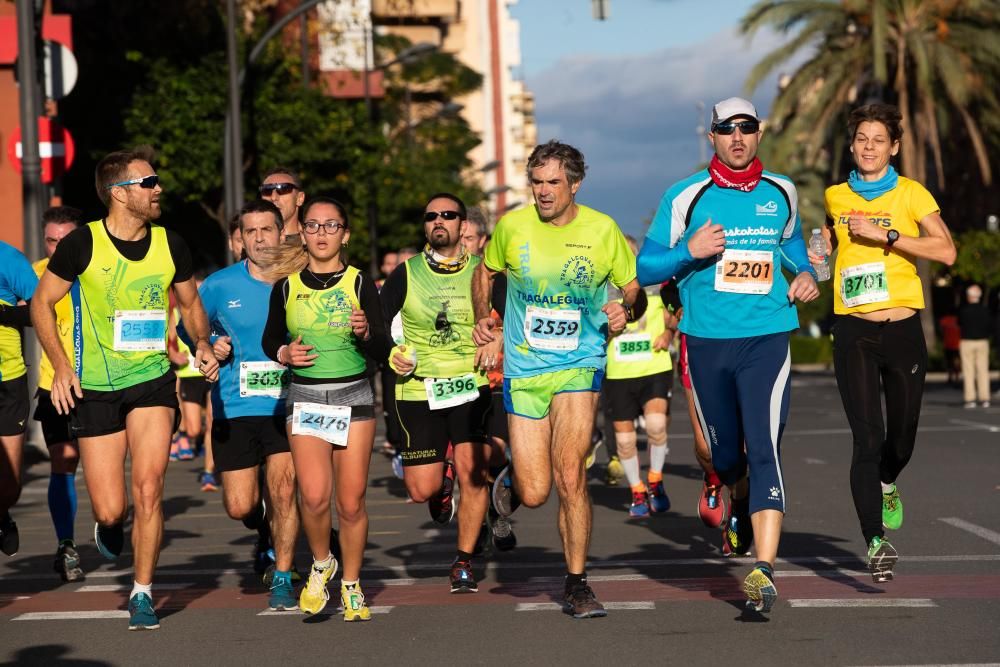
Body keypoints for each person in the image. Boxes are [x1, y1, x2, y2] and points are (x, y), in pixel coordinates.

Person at [637, 97, 819, 613]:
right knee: (725, 457)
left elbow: (791, 247)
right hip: (707, 340)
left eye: (746, 127)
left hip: (767, 336)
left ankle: (763, 570)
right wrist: (686, 253)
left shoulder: (781, 191)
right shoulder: (686, 196)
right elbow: (646, 268)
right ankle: (734, 494)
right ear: (711, 136)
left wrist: (806, 273)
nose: (737, 137)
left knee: (764, 449)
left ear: (759, 133)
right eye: (726, 129)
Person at [31, 147, 220, 631]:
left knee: (150, 487)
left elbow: (191, 302)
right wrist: (60, 367)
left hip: (152, 382)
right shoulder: (83, 245)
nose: (159, 189)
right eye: (148, 182)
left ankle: (141, 591)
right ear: (119, 192)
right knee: (112, 507)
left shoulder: (170, 244)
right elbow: (41, 305)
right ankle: (110, 525)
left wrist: (200, 340)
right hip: (93, 388)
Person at [472, 140, 642, 618]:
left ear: (574, 185)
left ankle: (577, 584)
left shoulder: (602, 229)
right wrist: (482, 318)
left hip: (579, 363)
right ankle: (507, 485)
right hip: (525, 370)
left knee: (571, 476)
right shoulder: (512, 227)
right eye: (536, 182)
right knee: (535, 491)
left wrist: (624, 308)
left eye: (553, 183)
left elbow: (632, 288)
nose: (543, 192)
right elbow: (485, 272)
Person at [815, 103, 956, 584]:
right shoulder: (835, 196)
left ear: (894, 146)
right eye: (861, 139)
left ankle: (889, 481)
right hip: (854, 328)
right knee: (867, 437)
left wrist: (888, 234)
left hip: (902, 329)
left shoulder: (912, 194)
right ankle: (874, 540)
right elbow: (827, 251)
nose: (869, 147)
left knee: (902, 438)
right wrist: (816, 260)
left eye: (878, 139)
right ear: (851, 146)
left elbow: (946, 250)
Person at [261, 196, 389, 620]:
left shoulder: (358, 282)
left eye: (330, 226)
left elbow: (381, 346)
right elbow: (270, 339)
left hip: (353, 397)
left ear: (344, 234)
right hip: (307, 398)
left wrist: (366, 329)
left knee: (350, 503)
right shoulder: (286, 285)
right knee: (314, 499)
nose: (320, 234)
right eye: (313, 226)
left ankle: (351, 584)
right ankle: (322, 564)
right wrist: (284, 352)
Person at [182, 199, 301, 611]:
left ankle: (283, 576)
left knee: (284, 490)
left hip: (287, 403)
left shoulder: (300, 278)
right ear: (240, 239)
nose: (259, 238)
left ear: (281, 231)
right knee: (240, 505)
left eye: (266, 229)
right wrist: (207, 343)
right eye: (250, 232)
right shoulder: (219, 284)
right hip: (235, 403)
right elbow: (189, 328)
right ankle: (264, 530)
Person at [381, 193, 496, 593]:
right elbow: (379, 328)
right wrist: (393, 354)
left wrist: (496, 339)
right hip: (419, 389)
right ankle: (441, 480)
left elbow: (511, 317)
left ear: (464, 226)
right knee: (420, 489)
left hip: (471, 383)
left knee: (475, 474)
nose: (439, 221)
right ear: (425, 226)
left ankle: (464, 560)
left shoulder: (485, 271)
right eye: (431, 216)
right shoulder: (406, 273)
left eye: (448, 215)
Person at [30, 206, 86, 579]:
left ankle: (111, 521)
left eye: (66, 241)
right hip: (54, 388)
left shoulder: (99, 270)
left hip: (101, 385)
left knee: (104, 466)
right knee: (63, 460)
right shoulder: (33, 275)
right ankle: (66, 544)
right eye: (52, 241)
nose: (58, 248)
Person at [603, 236, 675, 518]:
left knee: (656, 424)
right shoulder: (602, 292)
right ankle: (637, 490)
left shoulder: (654, 284)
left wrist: (669, 332)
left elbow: (673, 310)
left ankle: (655, 480)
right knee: (624, 442)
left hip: (653, 368)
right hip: (619, 373)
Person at [0, 241, 40, 559]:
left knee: (10, 485)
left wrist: (5, 312)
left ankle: (3, 512)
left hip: (8, 381)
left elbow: (40, 310)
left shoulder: (8, 257)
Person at [958, 284, 991, 408]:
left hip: (967, 341)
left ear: (969, 296)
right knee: (983, 371)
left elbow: (959, 323)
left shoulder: (964, 311)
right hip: (982, 341)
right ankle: (985, 398)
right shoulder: (985, 310)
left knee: (968, 371)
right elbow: (989, 325)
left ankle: (970, 399)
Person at [259, 166, 306, 242]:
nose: (274, 197)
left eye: (283, 189)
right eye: (267, 190)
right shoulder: (252, 242)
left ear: (300, 198)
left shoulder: (314, 241)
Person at [939, 312, 961, 386]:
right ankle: (957, 377)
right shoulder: (958, 319)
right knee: (956, 361)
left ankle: (950, 377)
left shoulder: (944, 320)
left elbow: (941, 331)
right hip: (957, 344)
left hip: (948, 344)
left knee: (949, 362)